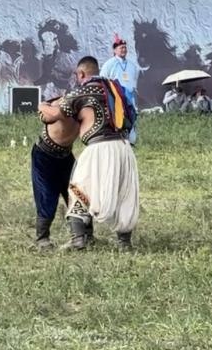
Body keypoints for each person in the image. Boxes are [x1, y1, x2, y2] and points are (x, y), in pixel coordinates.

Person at [39, 57, 139, 250]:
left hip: (98, 148)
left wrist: (42, 105)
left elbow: (52, 116)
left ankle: (78, 238)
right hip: (124, 147)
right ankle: (124, 242)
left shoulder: (82, 91)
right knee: (124, 192)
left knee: (78, 189)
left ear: (81, 74)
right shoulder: (114, 89)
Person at [31, 101, 79, 248]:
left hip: (66, 154)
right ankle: (42, 238)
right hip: (44, 155)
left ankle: (83, 235)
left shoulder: (91, 103)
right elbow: (50, 115)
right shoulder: (68, 100)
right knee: (46, 194)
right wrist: (42, 106)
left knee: (76, 193)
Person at [100, 35, 140, 143]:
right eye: (121, 48)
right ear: (115, 50)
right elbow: (103, 80)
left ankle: (131, 140)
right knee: (118, 117)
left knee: (131, 116)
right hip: (116, 96)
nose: (123, 50)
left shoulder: (132, 65)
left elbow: (134, 81)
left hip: (130, 96)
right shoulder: (109, 64)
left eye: (125, 47)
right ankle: (117, 139)